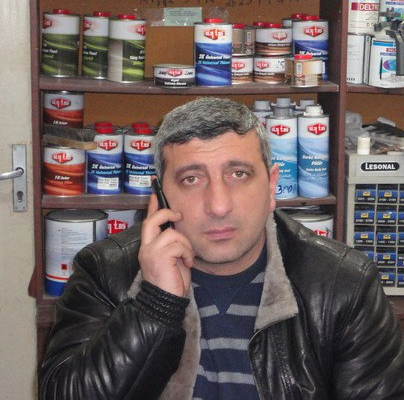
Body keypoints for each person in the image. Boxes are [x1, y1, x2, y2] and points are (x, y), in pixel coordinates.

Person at [39, 97, 404, 399]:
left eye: (238, 174)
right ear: (160, 196)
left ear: (272, 187)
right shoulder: (105, 271)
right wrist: (154, 306)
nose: (218, 205)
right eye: (192, 179)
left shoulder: (344, 285)